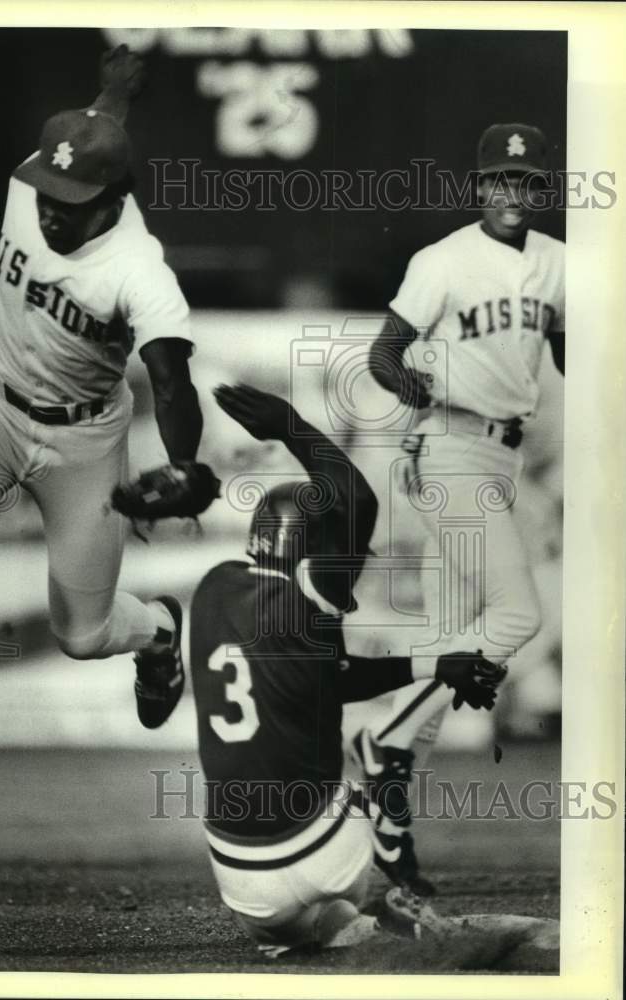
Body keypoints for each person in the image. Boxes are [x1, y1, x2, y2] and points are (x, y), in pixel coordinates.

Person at [0, 46, 201, 728]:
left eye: (74, 203)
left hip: (84, 444)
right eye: (50, 191)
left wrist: (181, 467)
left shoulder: (138, 272)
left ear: (117, 198)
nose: (52, 211)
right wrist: (112, 90)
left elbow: (171, 381)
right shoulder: (33, 183)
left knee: (83, 635)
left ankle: (158, 633)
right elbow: (95, 126)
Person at [189, 383, 504, 957]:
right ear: (312, 554)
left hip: (240, 881)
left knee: (309, 919)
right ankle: (377, 831)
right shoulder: (308, 598)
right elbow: (356, 500)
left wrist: (436, 664)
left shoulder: (213, 589)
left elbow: (324, 678)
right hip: (327, 850)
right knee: (367, 751)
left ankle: (320, 928)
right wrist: (289, 423)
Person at [361, 122, 565, 892]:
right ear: (479, 187)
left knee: (452, 649)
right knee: (517, 615)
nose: (511, 193)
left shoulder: (560, 265)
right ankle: (378, 745)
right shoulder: (442, 260)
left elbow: (575, 355)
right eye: (498, 181)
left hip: (502, 454)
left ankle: (387, 826)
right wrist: (410, 387)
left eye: (524, 182)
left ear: (538, 190)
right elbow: (383, 351)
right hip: (446, 448)